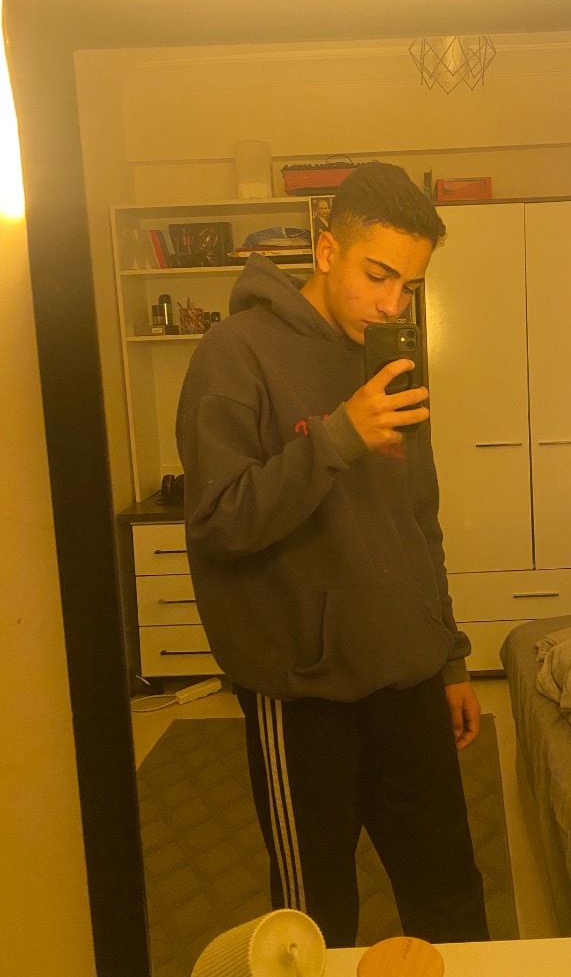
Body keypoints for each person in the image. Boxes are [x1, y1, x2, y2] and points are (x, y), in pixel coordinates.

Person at [175, 162, 489, 948]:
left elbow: (418, 520)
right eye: (378, 275)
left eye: (409, 285)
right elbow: (218, 521)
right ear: (326, 251)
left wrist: (450, 657)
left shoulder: (388, 353)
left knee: (451, 894)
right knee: (313, 918)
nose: (392, 303)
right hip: (303, 693)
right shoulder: (233, 353)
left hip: (409, 673)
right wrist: (339, 435)